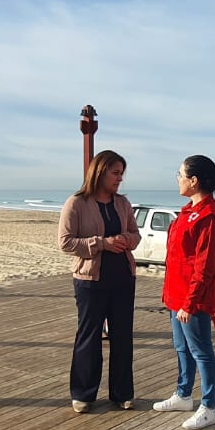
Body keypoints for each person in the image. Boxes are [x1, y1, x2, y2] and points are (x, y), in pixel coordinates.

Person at [58, 150, 141, 413]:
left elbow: (136, 235)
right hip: (90, 281)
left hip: (123, 278)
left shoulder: (123, 203)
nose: (120, 179)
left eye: (121, 174)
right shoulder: (76, 203)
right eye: (115, 173)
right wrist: (102, 243)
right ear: (100, 172)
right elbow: (65, 242)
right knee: (89, 336)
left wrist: (126, 240)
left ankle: (122, 393)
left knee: (122, 336)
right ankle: (83, 394)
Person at [153, 154, 215, 430]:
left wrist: (190, 302)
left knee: (201, 351)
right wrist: (173, 298)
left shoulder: (209, 217)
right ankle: (184, 394)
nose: (178, 179)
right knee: (181, 347)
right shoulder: (188, 211)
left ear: (193, 181)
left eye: (180, 175)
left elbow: (205, 267)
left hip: (192, 300)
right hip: (176, 294)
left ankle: (209, 406)